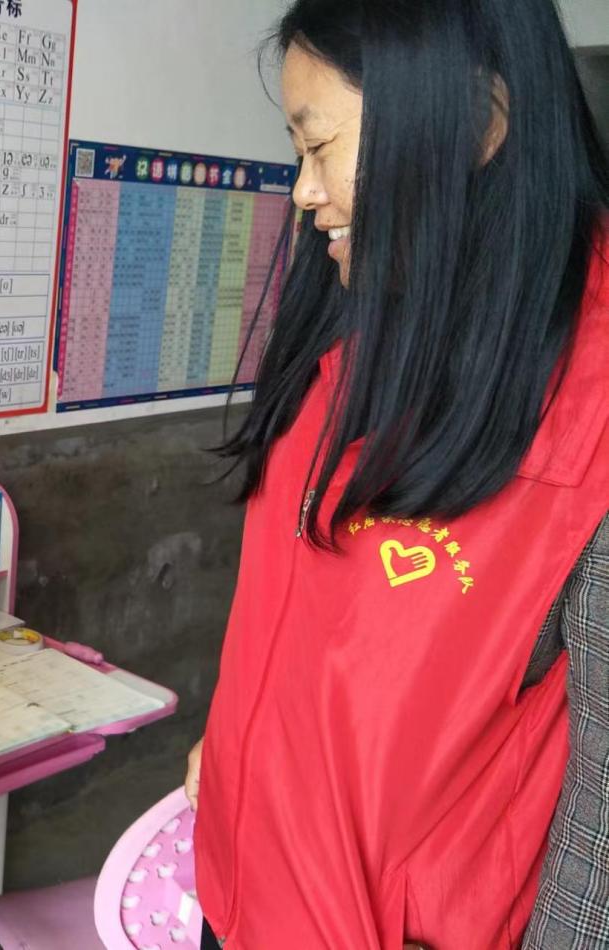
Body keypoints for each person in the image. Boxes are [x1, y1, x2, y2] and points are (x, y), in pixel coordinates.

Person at [183, 0, 609, 946]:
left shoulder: (590, 400)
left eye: (320, 146)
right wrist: (239, 738)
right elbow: (300, 606)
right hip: (245, 887)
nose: (303, 193)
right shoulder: (359, 296)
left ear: (480, 121)